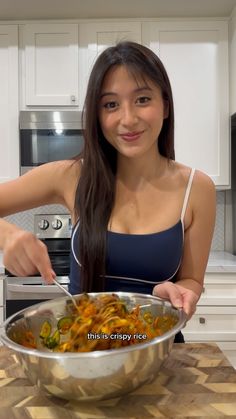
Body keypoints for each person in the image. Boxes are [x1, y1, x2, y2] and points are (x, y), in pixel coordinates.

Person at [0, 41, 216, 342]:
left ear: (165, 105)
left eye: (142, 99)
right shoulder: (71, 176)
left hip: (158, 357)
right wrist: (7, 235)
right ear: (98, 116)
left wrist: (182, 297)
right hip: (84, 357)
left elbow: (192, 280)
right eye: (111, 104)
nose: (127, 119)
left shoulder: (197, 189)